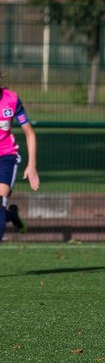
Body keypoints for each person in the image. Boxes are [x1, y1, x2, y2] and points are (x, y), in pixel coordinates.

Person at [0, 72, 39, 241]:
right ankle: (11, 216)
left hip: (6, 158)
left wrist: (31, 166)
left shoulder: (11, 99)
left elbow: (30, 133)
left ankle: (6, 215)